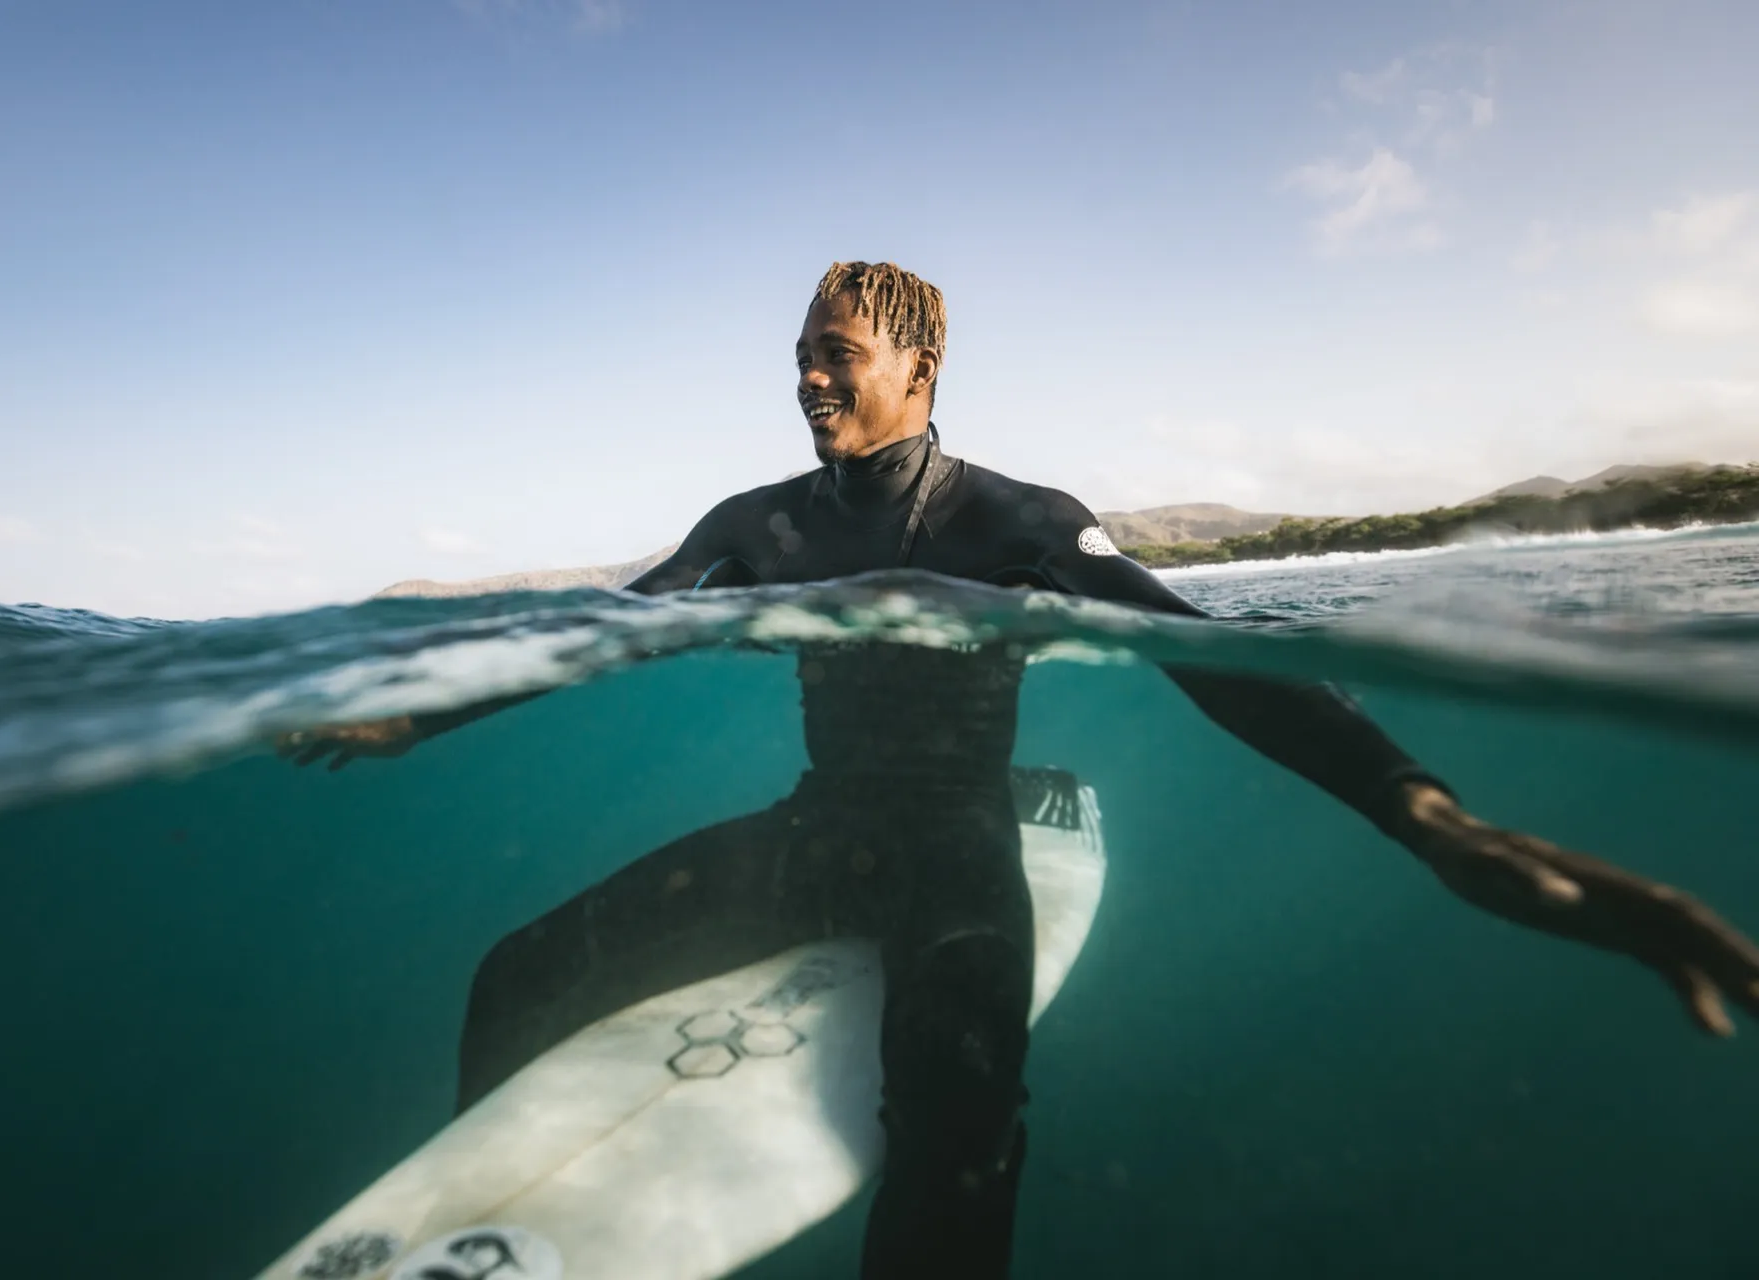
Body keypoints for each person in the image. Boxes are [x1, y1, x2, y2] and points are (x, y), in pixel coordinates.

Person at [282, 261, 1759, 1279]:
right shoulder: (760, 522)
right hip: (815, 831)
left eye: (837, 351)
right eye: (798, 349)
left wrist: (1426, 814)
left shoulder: (1018, 523)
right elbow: (606, 638)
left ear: (919, 368)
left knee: (962, 1106)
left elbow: (1202, 657)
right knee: (515, 972)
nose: (807, 373)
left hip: (956, 851)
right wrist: (416, 716)